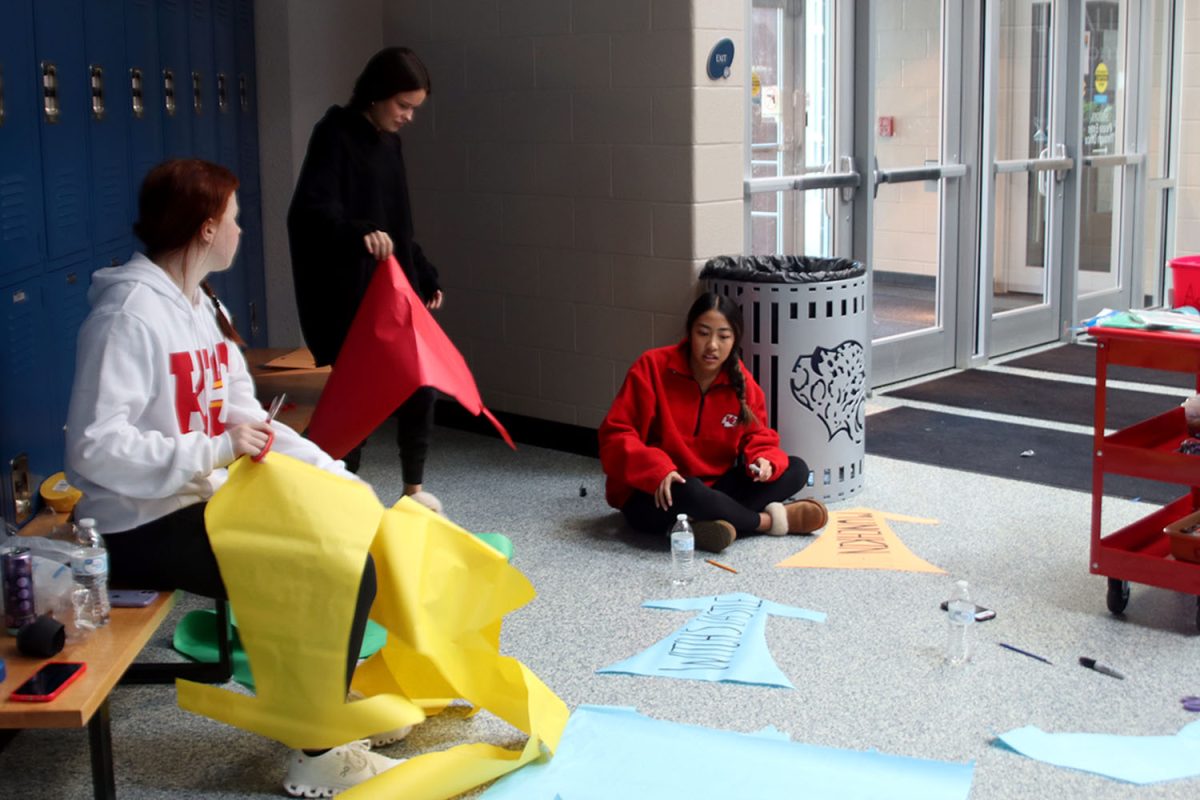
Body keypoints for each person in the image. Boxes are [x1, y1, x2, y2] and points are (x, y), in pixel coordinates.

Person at [64, 159, 407, 797]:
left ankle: (320, 701)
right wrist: (210, 450)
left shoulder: (200, 307)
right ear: (204, 229)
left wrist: (339, 478)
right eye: (235, 220)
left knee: (347, 536)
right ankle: (318, 748)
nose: (242, 231)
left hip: (197, 500)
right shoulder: (129, 317)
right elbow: (92, 446)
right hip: (139, 522)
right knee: (331, 569)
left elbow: (250, 417)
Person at [288, 46, 443, 513]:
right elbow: (310, 214)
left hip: (391, 289)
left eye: (414, 108)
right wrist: (359, 233)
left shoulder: (390, 143)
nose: (408, 117)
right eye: (403, 106)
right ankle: (332, 497)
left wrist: (424, 270)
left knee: (421, 384)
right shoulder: (334, 134)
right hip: (349, 294)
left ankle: (413, 492)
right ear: (376, 95)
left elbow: (399, 226)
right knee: (357, 403)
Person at [599, 292, 829, 553]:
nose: (712, 346)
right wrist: (657, 469)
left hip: (715, 489)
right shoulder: (651, 366)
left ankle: (708, 524)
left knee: (795, 469)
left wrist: (764, 460)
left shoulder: (740, 380)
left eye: (723, 336)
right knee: (692, 491)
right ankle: (768, 522)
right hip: (656, 494)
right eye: (703, 333)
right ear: (689, 332)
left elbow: (760, 436)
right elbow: (615, 436)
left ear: (734, 340)